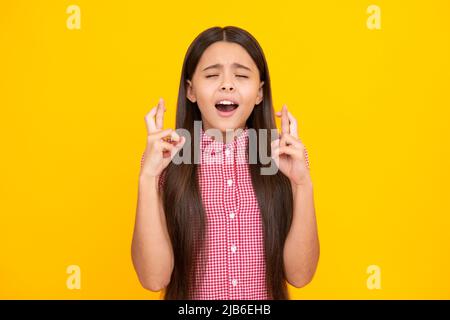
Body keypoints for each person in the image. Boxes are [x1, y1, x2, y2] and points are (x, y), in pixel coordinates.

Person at [131, 26, 319, 300]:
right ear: (190, 91)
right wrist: (147, 179)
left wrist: (302, 184)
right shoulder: (166, 159)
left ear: (259, 93)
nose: (227, 84)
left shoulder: (284, 155)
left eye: (241, 75)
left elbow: (301, 276)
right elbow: (153, 278)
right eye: (212, 75)